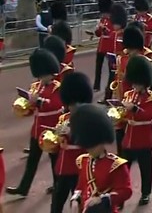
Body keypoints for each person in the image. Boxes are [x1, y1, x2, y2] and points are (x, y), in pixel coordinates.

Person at [7, 49, 62, 197]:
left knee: (54, 160)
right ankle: (23, 188)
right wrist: (27, 105)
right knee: (32, 161)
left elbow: (56, 105)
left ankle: (58, 186)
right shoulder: (37, 85)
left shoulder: (57, 87)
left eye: (43, 75)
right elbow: (34, 108)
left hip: (51, 129)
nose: (41, 77)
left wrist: (37, 101)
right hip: (37, 129)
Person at [69, 104, 132, 213]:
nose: (90, 150)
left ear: (102, 143)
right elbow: (81, 186)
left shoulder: (115, 165)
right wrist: (75, 199)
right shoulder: (83, 161)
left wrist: (103, 199)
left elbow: (126, 191)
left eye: (93, 147)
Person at [50, 71, 93, 213]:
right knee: (57, 200)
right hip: (63, 166)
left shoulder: (88, 118)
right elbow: (59, 141)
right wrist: (57, 136)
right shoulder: (64, 118)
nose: (71, 107)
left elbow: (89, 141)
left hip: (78, 165)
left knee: (78, 200)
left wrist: (71, 133)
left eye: (74, 104)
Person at [121, 55, 152, 206]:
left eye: (137, 83)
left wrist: (134, 108)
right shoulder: (129, 94)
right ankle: (121, 195)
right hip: (129, 136)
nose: (134, 86)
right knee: (123, 169)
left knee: (145, 168)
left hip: (144, 137)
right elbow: (125, 115)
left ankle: (146, 193)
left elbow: (148, 115)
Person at [93, 0, 114, 92]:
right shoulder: (102, 19)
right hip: (101, 46)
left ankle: (109, 89)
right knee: (98, 67)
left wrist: (104, 29)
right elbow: (98, 34)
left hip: (109, 47)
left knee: (111, 69)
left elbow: (112, 34)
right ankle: (96, 85)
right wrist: (97, 29)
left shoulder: (113, 20)